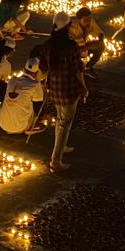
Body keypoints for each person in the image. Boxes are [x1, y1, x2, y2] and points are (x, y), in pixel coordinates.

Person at [41, 12, 88, 172]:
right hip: (69, 91)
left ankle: (61, 145)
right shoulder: (71, 46)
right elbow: (78, 70)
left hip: (54, 90)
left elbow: (44, 68)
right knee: (64, 124)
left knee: (61, 121)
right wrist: (84, 87)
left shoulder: (47, 45)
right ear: (67, 27)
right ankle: (56, 161)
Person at [0, 58, 45, 135]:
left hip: (2, 123)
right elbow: (38, 107)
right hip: (21, 127)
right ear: (37, 72)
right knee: (33, 104)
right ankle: (29, 128)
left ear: (24, 69)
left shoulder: (12, 80)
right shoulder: (35, 84)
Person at [69, 6, 105, 76]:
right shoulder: (72, 27)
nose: (88, 22)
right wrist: (88, 47)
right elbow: (71, 49)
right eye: (85, 20)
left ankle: (87, 68)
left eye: (89, 19)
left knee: (101, 46)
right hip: (72, 51)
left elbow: (98, 31)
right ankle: (76, 70)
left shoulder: (90, 21)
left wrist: (100, 38)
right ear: (79, 19)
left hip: (83, 47)